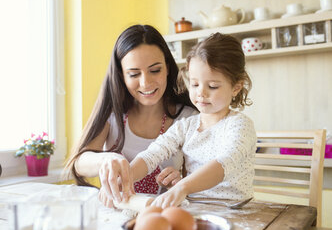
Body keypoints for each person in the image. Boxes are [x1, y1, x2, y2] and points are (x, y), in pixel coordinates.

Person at [65, 24, 197, 207]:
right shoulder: (113, 114)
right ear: (121, 76)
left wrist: (182, 181)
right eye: (134, 74)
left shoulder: (188, 118)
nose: (146, 83)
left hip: (164, 217)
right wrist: (107, 159)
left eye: (155, 70)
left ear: (167, 67)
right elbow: (79, 163)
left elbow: (204, 176)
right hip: (115, 218)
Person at [126, 32, 257, 208]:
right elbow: (153, 154)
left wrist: (182, 186)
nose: (200, 93)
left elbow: (224, 163)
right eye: (195, 84)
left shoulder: (239, 125)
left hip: (236, 209)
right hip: (195, 208)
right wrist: (125, 179)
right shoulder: (187, 126)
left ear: (236, 87)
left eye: (212, 86)